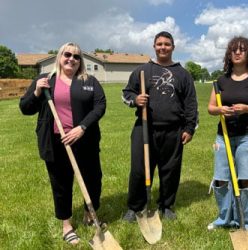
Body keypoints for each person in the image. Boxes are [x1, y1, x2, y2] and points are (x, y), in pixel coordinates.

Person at [19, 42, 106, 245]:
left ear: (80, 62)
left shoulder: (89, 81)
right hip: (57, 143)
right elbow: (25, 108)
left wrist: (82, 127)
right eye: (67, 54)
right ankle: (66, 225)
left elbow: (100, 106)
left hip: (85, 141)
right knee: (61, 184)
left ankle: (89, 215)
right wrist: (37, 93)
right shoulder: (45, 80)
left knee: (93, 180)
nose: (71, 59)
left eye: (76, 57)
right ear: (59, 57)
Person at [122, 31, 198, 222]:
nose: (163, 47)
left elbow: (191, 104)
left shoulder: (183, 74)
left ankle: (166, 205)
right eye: (159, 44)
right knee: (139, 169)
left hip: (174, 130)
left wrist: (189, 128)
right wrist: (135, 99)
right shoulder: (142, 71)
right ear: (154, 47)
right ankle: (135, 207)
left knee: (170, 170)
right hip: (145, 128)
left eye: (167, 44)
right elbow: (126, 93)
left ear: (173, 47)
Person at [207, 36, 248, 232]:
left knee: (245, 181)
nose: (237, 52)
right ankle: (224, 219)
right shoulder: (221, 80)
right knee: (221, 180)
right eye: (233, 50)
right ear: (229, 54)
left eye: (242, 49)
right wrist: (219, 111)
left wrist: (247, 108)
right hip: (224, 136)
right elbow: (211, 107)